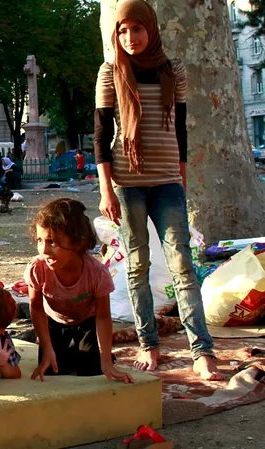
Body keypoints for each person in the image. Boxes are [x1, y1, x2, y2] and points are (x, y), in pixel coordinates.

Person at [94, 0, 222, 380]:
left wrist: (181, 178)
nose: (129, 37)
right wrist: (105, 190)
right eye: (122, 30)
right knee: (137, 267)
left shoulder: (173, 70)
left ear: (150, 29)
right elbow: (101, 136)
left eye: (137, 28)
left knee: (183, 266)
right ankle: (148, 344)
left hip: (168, 183)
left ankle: (202, 351)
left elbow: (180, 128)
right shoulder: (109, 72)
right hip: (128, 184)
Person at [26, 199, 134, 384]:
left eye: (52, 242)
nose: (44, 250)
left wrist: (106, 361)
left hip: (87, 321)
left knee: (91, 370)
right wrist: (46, 347)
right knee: (52, 370)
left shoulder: (97, 272)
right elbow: (36, 308)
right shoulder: (37, 268)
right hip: (54, 321)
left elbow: (103, 316)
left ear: (78, 241)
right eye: (39, 240)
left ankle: (86, 353)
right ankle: (61, 348)